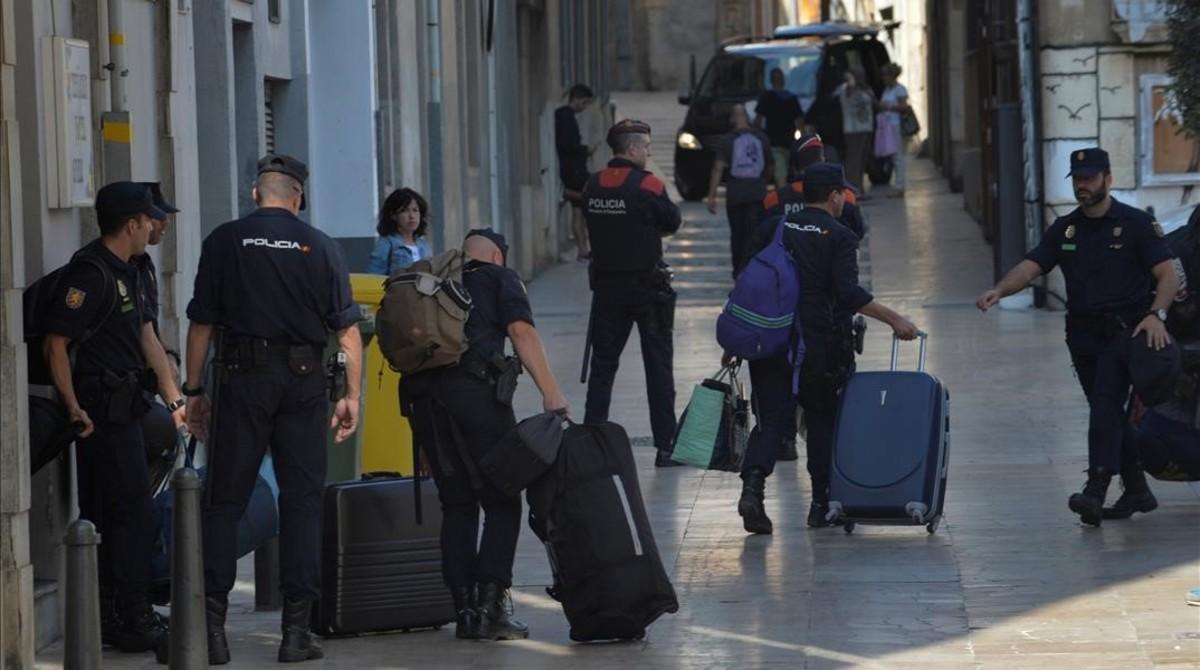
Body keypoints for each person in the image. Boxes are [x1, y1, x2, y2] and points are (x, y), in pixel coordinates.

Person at [183, 154, 363, 664]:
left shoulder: (224, 241)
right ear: (297, 198)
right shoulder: (321, 247)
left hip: (243, 381)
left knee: (225, 502)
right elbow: (347, 332)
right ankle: (296, 633)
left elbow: (201, 326)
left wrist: (193, 392)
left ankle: (213, 633)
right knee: (302, 502)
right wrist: (352, 395)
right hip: (304, 385)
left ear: (256, 195)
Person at [976, 148, 1178, 527]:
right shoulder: (1067, 228)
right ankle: (1136, 488)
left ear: (1108, 178)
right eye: (1078, 179)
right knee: (1107, 412)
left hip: (1124, 332)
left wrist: (1156, 315)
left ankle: (1095, 490)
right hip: (1083, 336)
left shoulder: (1135, 224)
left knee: (1104, 404)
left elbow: (1168, 275)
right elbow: (1032, 265)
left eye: (1089, 178)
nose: (1082, 186)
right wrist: (1000, 290)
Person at [400, 229, 568, 641]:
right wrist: (551, 391)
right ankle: (491, 606)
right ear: (497, 255)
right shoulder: (500, 277)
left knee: (457, 504)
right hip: (475, 396)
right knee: (503, 499)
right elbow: (522, 332)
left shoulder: (435, 282)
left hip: (424, 405)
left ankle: (465, 612)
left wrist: (423, 441)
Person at [733, 163, 919, 534]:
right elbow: (849, 294)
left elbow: (747, 282)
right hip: (819, 345)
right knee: (822, 422)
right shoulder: (839, 235)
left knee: (771, 420)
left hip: (769, 341)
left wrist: (739, 338)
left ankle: (753, 489)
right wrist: (895, 318)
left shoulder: (773, 227)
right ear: (834, 195)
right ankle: (821, 505)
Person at [43, 181, 186, 652]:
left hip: (127, 405)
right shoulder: (91, 273)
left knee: (120, 512)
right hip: (99, 412)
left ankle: (113, 611)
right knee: (130, 514)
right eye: (149, 219)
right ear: (132, 224)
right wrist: (73, 406)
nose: (154, 226)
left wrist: (175, 401)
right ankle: (130, 613)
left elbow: (147, 337)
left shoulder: (132, 269)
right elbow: (56, 344)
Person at [759, 135, 867, 463]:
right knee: (821, 407)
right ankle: (822, 497)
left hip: (778, 320)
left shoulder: (775, 203)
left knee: (777, 402)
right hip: (825, 319)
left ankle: (777, 453)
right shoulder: (844, 202)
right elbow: (856, 234)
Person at [582, 119, 683, 468]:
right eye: (647, 147)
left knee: (603, 367)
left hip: (607, 290)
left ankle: (592, 442)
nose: (649, 152)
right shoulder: (648, 185)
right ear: (634, 148)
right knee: (658, 367)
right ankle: (665, 446)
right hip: (647, 290)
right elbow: (672, 221)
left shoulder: (593, 185)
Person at [706, 103, 773, 276]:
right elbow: (770, 166)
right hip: (756, 193)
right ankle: (751, 270)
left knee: (737, 235)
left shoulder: (727, 140)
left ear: (733, 118)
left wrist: (712, 195)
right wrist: (763, 183)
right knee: (753, 234)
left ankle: (738, 271)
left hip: (736, 194)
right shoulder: (761, 138)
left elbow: (717, 168)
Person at [556, 84, 596, 261]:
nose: (584, 107)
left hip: (574, 168)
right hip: (574, 170)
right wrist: (586, 149)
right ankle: (568, 193)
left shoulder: (565, 116)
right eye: (585, 103)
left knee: (579, 209)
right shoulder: (565, 117)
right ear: (577, 99)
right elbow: (567, 145)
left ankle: (582, 249)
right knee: (584, 202)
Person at [755, 68, 805, 189]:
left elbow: (758, 120)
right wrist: (801, 139)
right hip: (789, 141)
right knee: (788, 170)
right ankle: (786, 197)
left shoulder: (766, 97)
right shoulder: (791, 98)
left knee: (780, 173)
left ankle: (782, 198)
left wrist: (758, 136)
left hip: (773, 141)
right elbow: (799, 121)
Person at [367, 187, 432, 275]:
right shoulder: (387, 244)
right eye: (404, 211)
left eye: (415, 210)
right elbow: (374, 277)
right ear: (393, 216)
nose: (412, 216)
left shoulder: (424, 246)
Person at [835, 67, 876, 194]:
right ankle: (852, 189)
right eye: (858, 75)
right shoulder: (845, 89)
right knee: (854, 160)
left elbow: (874, 102)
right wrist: (851, 84)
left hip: (867, 128)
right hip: (853, 130)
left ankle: (859, 186)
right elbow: (845, 96)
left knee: (863, 159)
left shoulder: (866, 89)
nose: (861, 77)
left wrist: (864, 88)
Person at [879, 63, 911, 198]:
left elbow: (904, 106)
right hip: (887, 125)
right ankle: (897, 184)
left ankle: (900, 186)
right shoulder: (887, 90)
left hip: (895, 124)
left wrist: (889, 107)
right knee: (892, 155)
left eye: (885, 75)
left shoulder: (900, 90)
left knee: (898, 155)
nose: (883, 78)